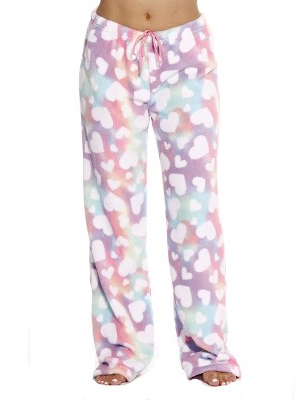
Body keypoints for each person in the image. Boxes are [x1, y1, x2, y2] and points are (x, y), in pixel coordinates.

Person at [78, 0, 242, 387]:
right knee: (113, 212)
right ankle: (122, 348)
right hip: (110, 51)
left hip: (186, 51)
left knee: (196, 212)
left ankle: (207, 347)